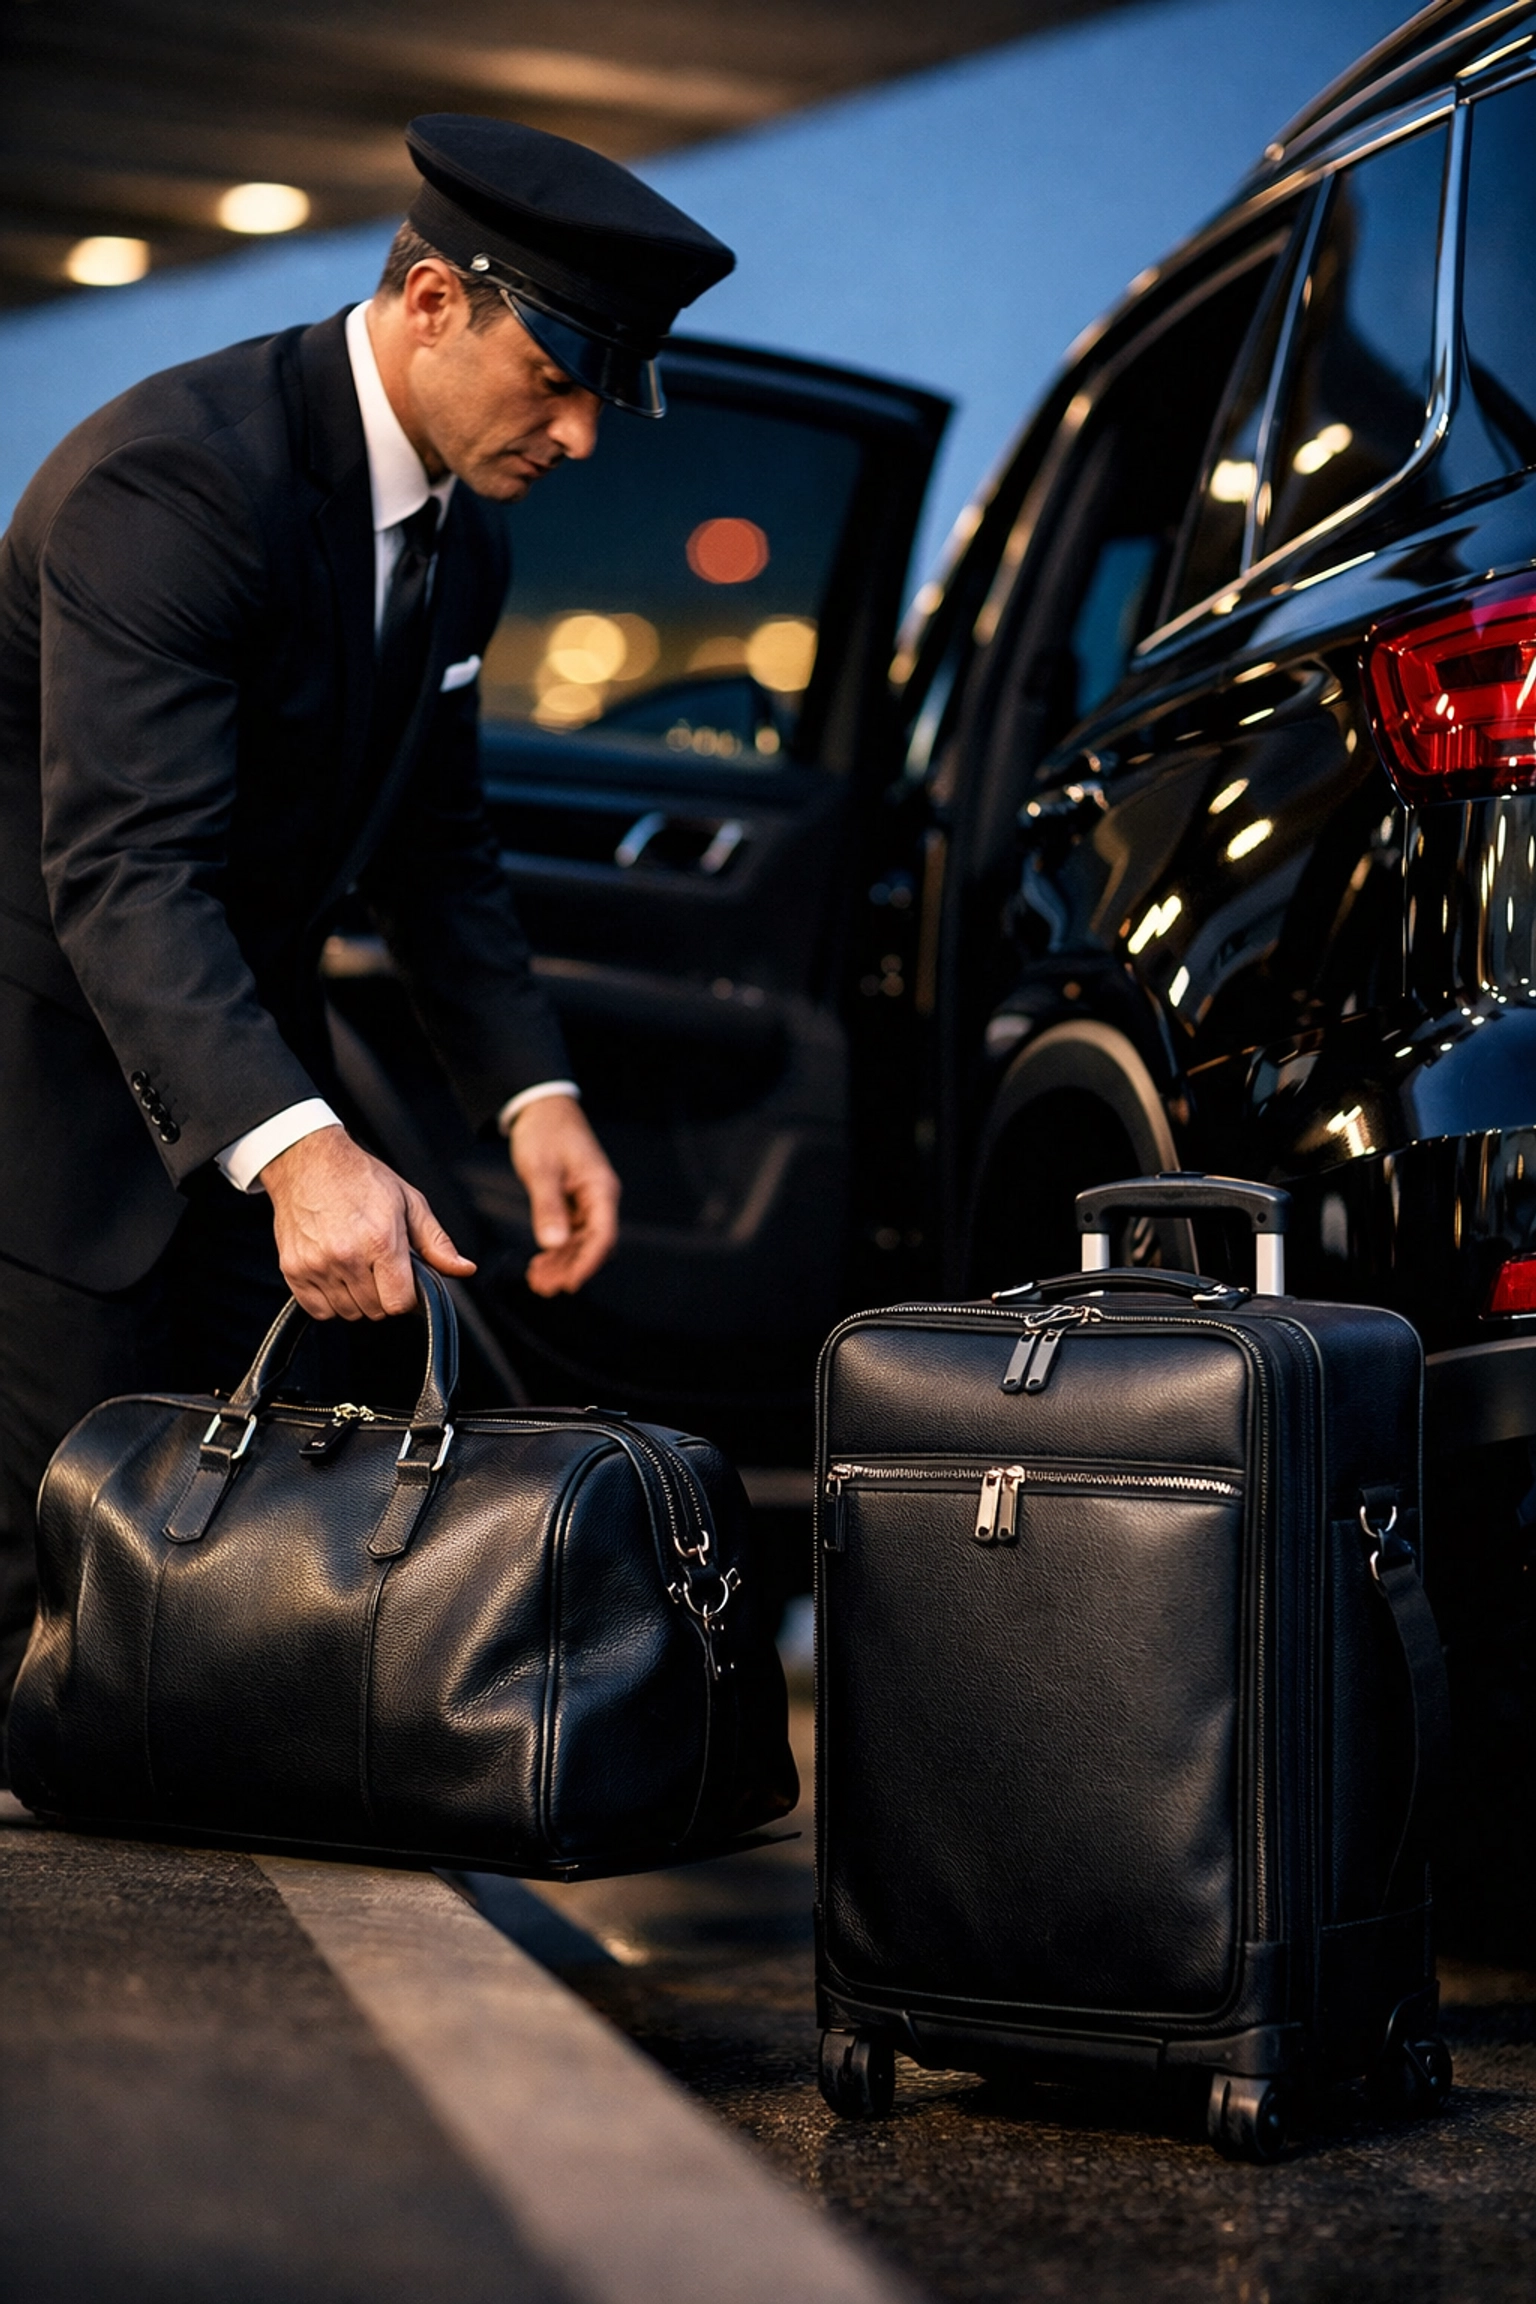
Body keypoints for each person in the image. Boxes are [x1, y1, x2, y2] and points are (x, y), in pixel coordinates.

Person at [0, 114, 736, 1739]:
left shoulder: (463, 541)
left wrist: (532, 1097)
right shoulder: (176, 483)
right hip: (48, 1106)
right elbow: (125, 870)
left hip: (238, 1096)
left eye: (604, 394)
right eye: (554, 378)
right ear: (426, 302)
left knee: (246, 1579)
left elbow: (436, 850)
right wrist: (304, 1151)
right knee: (51, 1617)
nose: (583, 435)